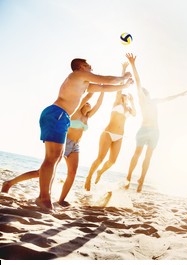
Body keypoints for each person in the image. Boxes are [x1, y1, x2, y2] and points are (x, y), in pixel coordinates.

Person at [35, 57, 132, 209]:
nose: (91, 67)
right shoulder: (77, 75)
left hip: (61, 117)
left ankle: (44, 196)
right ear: (81, 67)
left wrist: (124, 84)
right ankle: (43, 198)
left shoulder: (83, 84)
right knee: (52, 157)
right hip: (57, 114)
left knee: (55, 158)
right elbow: (105, 79)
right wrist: (124, 77)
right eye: (88, 66)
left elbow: (104, 87)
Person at [2, 92, 104, 206]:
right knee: (41, 172)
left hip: (76, 145)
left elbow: (99, 104)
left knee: (73, 172)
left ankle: (61, 200)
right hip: (64, 142)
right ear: (83, 104)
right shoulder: (75, 112)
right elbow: (86, 97)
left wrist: (103, 90)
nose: (89, 104)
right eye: (87, 103)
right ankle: (10, 183)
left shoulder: (87, 117)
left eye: (90, 104)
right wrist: (95, 88)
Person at [124, 53, 187, 192]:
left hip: (154, 132)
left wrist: (179, 95)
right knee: (137, 153)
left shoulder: (153, 101)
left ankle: (141, 180)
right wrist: (133, 64)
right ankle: (128, 177)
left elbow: (167, 98)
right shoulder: (142, 100)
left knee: (148, 157)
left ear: (147, 94)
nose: (140, 93)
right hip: (145, 130)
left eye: (142, 92)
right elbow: (138, 80)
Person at [84, 62, 136, 191]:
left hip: (119, 136)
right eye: (122, 95)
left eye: (125, 96)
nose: (123, 96)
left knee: (112, 161)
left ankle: (100, 172)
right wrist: (123, 68)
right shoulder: (117, 102)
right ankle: (88, 177)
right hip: (108, 133)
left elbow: (135, 114)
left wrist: (133, 101)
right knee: (100, 158)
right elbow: (120, 88)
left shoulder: (128, 109)